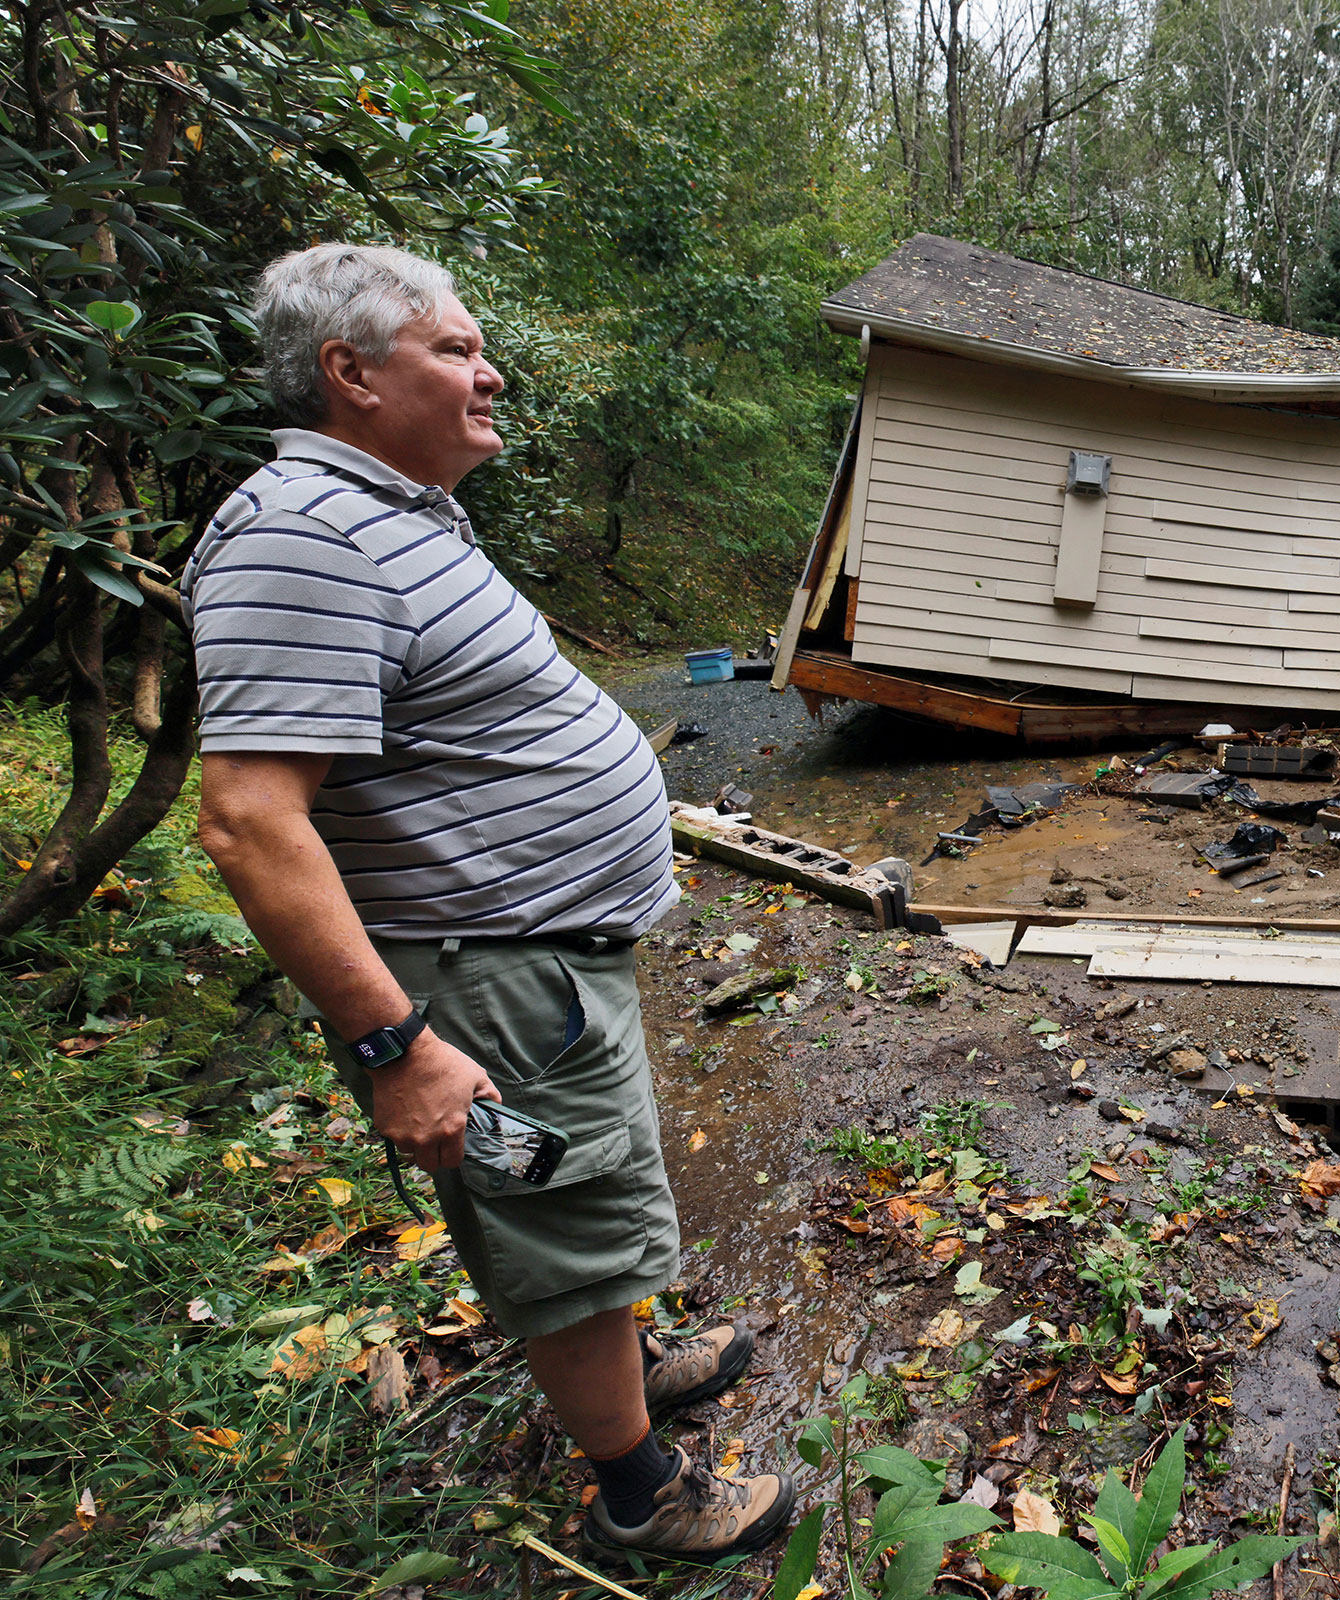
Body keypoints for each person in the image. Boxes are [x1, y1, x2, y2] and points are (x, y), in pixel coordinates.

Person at [188, 243, 795, 1561]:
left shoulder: (390, 511)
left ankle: (631, 1356)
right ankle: (641, 1492)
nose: (489, 368)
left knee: (579, 1192)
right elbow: (247, 816)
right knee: (559, 1223)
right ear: (349, 374)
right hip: (485, 990)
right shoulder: (303, 531)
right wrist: (393, 1044)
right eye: (453, 348)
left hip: (540, 973)